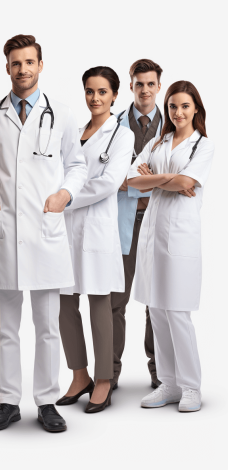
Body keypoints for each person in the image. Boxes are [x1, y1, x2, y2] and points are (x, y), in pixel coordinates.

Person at [0, 34, 87, 432]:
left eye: (29, 62)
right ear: (7, 68)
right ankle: (8, 401)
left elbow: (78, 165)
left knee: (48, 325)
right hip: (4, 231)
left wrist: (64, 195)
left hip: (45, 229)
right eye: (16, 63)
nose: (23, 69)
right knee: (6, 326)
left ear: (40, 65)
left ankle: (48, 401)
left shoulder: (64, 114)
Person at [127, 81, 214, 412]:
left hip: (180, 237)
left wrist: (157, 178)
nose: (178, 112)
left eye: (185, 106)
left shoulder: (203, 146)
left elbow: (187, 183)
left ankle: (191, 386)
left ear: (196, 110)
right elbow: (131, 179)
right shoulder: (157, 141)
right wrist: (169, 180)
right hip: (152, 236)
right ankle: (169, 383)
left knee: (177, 312)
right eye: (173, 106)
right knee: (156, 310)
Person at [56, 67, 134, 413]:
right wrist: (62, 193)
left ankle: (104, 380)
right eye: (90, 91)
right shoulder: (74, 132)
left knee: (100, 301)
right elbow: (60, 172)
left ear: (115, 95)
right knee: (64, 302)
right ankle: (78, 375)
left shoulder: (122, 136)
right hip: (66, 229)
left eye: (102, 92)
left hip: (97, 227)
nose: (95, 98)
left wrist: (66, 196)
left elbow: (109, 181)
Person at [112, 59, 164, 389]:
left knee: (157, 300)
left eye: (150, 84)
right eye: (138, 83)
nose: (144, 89)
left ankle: (160, 369)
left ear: (159, 86)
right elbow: (104, 179)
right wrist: (156, 181)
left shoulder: (174, 127)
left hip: (159, 221)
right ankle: (110, 370)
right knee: (115, 300)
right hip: (123, 222)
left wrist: (132, 180)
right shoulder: (113, 126)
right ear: (130, 86)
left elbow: (185, 179)